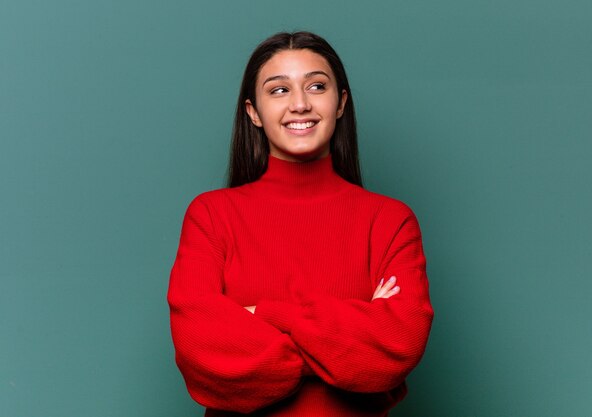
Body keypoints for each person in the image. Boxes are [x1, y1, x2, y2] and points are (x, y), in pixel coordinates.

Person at [167, 31, 434, 417]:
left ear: (340, 102)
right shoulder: (212, 215)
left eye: (317, 86)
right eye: (278, 90)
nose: (300, 104)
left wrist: (265, 315)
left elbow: (398, 345)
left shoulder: (390, 221)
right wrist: (345, 344)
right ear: (253, 112)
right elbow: (200, 347)